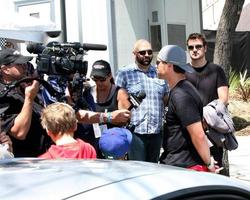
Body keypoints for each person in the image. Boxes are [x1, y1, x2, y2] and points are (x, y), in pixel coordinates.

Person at [157, 45, 220, 173]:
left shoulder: (181, 95)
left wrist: (209, 164)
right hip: (177, 164)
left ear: (169, 65)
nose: (155, 66)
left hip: (184, 168)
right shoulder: (179, 90)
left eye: (158, 62)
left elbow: (198, 135)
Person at [115, 39, 168, 163]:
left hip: (156, 132)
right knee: (137, 169)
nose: (147, 55)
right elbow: (121, 102)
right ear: (134, 53)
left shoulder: (159, 73)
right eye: (142, 52)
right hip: (135, 132)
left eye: (150, 52)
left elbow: (167, 99)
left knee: (153, 169)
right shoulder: (125, 73)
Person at [186, 33, 229, 175]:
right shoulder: (183, 72)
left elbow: (223, 99)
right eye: (191, 47)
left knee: (214, 172)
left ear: (205, 48)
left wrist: (206, 116)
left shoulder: (216, 71)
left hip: (211, 131)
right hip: (189, 132)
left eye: (198, 46)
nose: (194, 50)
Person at [0, 48, 51, 157]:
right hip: (24, 163)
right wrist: (29, 98)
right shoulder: (3, 96)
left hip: (43, 156)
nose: (24, 66)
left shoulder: (23, 86)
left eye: (25, 63)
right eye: (19, 64)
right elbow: (19, 133)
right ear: (5, 69)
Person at [90, 60, 131, 128]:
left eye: (102, 79)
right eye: (95, 79)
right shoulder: (88, 92)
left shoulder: (120, 93)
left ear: (110, 76)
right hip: (91, 136)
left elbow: (125, 121)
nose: (99, 83)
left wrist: (107, 118)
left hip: (113, 136)